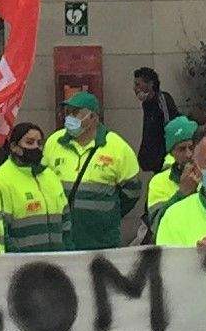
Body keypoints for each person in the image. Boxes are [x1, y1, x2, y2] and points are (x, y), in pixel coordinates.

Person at [44, 91, 143, 248]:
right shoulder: (54, 142)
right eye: (67, 112)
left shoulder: (117, 147)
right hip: (61, 239)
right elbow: (44, 183)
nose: (69, 117)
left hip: (102, 241)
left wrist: (107, 215)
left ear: (93, 117)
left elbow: (132, 191)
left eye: (75, 113)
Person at [0, 121, 70, 253]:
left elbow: (65, 220)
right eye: (30, 142)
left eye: (39, 143)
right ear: (14, 147)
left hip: (56, 258)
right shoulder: (1, 179)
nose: (36, 147)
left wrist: (67, 250)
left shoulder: (50, 176)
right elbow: (0, 228)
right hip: (23, 260)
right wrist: (16, 257)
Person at [143, 116, 201, 231]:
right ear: (172, 153)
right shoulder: (159, 182)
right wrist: (182, 193)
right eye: (182, 149)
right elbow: (157, 224)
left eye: (192, 147)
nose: (188, 154)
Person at [133, 66, 180, 173]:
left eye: (138, 84)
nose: (135, 89)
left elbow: (170, 127)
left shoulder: (162, 100)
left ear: (150, 84)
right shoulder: (146, 104)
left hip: (164, 158)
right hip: (153, 159)